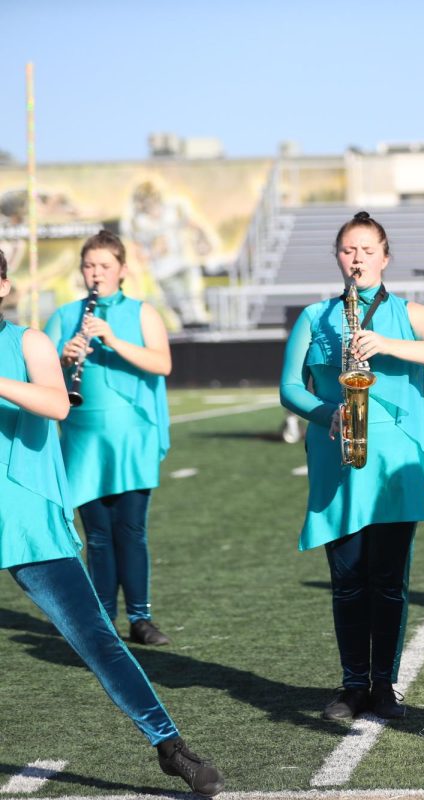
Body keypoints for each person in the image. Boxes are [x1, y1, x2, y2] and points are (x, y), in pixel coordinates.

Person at [0, 250, 223, 796]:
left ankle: (169, 746)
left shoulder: (26, 341)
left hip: (24, 515)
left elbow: (55, 403)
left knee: (95, 637)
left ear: (3, 283)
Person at [280, 211, 424, 720]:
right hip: (338, 456)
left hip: (394, 461)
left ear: (385, 257)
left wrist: (385, 343)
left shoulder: (409, 312)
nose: (357, 258)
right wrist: (327, 414)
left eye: (366, 250)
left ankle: (383, 685)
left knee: (388, 579)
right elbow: (289, 388)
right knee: (347, 580)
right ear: (338, 258)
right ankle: (352, 684)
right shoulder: (316, 317)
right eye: (348, 250)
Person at [45, 231, 173, 647]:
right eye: (89, 266)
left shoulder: (141, 313)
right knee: (97, 535)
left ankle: (140, 617)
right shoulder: (64, 315)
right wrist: (63, 359)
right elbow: (41, 380)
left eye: (104, 266)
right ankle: (102, 619)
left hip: (132, 434)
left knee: (131, 530)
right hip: (83, 436)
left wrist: (113, 340)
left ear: (122, 269)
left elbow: (162, 364)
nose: (95, 273)